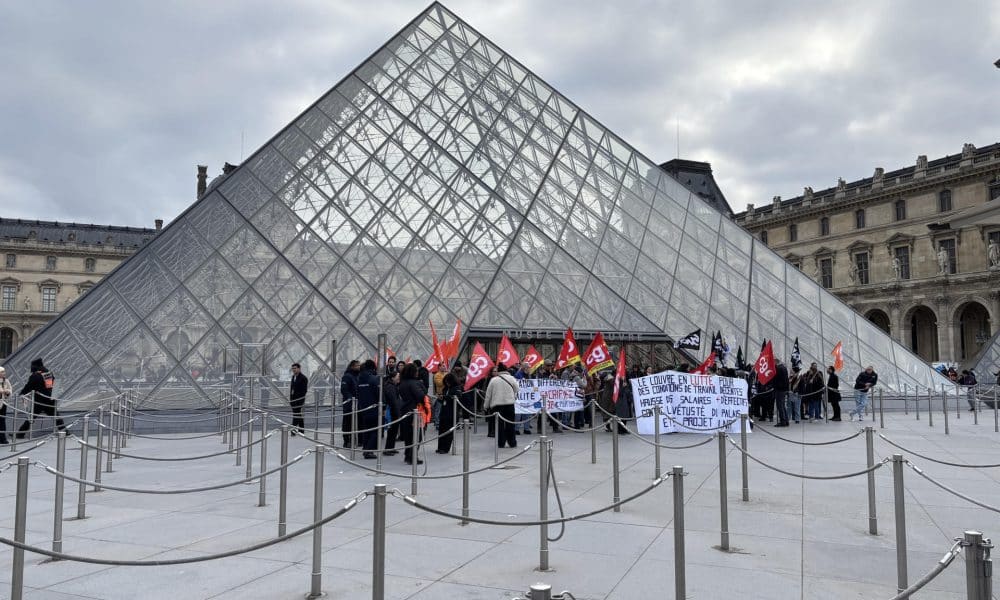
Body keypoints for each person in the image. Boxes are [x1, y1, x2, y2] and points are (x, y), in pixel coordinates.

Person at [16, 357, 65, 437]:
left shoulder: (35, 376)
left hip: (39, 401)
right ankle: (65, 431)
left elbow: (28, 386)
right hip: (50, 400)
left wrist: (22, 393)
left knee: (30, 418)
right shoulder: (48, 374)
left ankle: (20, 434)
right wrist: (54, 397)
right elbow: (55, 385)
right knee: (56, 417)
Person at [484, 363, 518, 449]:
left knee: (499, 425)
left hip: (497, 405)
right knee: (510, 424)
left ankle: (501, 443)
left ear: (499, 371)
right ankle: (512, 442)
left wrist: (486, 405)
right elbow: (517, 389)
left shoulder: (493, 380)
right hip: (509, 404)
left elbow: (488, 395)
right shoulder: (511, 378)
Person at [397, 363, 425, 465]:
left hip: (405, 410)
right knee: (417, 435)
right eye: (416, 371)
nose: (418, 372)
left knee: (408, 435)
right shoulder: (415, 383)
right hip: (415, 412)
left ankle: (408, 455)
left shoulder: (402, 383)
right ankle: (413, 456)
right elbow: (421, 396)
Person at [355, 360, 380, 459]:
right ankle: (369, 450)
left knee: (366, 430)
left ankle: (366, 449)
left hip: (362, 408)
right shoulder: (374, 379)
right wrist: (382, 406)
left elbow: (357, 393)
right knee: (375, 429)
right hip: (373, 407)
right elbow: (378, 394)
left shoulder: (359, 379)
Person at [436, 372, 462, 453]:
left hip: (451, 412)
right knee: (441, 429)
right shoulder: (445, 388)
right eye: (446, 381)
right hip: (444, 411)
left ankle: (445, 448)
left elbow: (456, 397)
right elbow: (444, 399)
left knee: (448, 431)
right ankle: (440, 447)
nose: (447, 383)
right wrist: (440, 398)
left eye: (448, 381)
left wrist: (445, 397)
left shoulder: (457, 388)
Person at [340, 360, 360, 448]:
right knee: (347, 422)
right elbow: (344, 390)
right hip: (349, 405)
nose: (359, 367)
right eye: (357, 366)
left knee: (355, 422)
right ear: (352, 366)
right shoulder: (347, 376)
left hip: (357, 404)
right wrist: (351, 399)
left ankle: (354, 439)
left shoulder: (357, 376)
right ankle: (347, 440)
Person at [382, 371, 401, 456]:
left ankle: (391, 447)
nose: (399, 378)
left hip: (394, 410)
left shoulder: (392, 385)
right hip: (393, 411)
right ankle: (388, 449)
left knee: (393, 431)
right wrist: (398, 412)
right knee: (392, 431)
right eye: (398, 376)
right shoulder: (390, 386)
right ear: (393, 378)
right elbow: (393, 401)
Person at [289, 363, 308, 435]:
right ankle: (301, 430)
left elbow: (304, 391)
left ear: (299, 369)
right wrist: (291, 399)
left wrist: (299, 399)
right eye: (293, 368)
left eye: (295, 368)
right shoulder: (293, 377)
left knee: (296, 414)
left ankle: (293, 431)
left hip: (299, 400)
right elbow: (292, 389)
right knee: (298, 414)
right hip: (293, 399)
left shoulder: (303, 378)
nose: (294, 370)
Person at [772, 360, 790, 427]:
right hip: (784, 389)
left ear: (776, 362)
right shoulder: (784, 368)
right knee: (783, 406)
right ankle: (786, 420)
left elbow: (776, 379)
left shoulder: (778, 368)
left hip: (779, 389)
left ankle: (783, 421)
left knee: (780, 406)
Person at [0, 366, 12, 445]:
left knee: (2, 421)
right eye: (2, 372)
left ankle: (2, 438)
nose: (4, 373)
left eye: (4, 371)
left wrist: (6, 391)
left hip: (3, 403)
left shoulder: (6, 381)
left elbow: (10, 389)